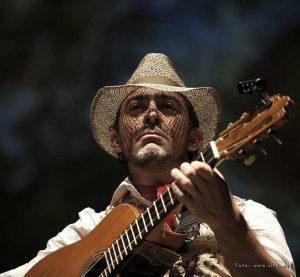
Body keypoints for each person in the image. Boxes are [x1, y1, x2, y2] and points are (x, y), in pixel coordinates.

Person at [2, 53, 295, 277]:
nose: (151, 114)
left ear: (195, 139)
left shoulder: (249, 215)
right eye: (136, 107)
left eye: (168, 106)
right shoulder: (89, 228)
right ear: (117, 141)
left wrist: (228, 224)